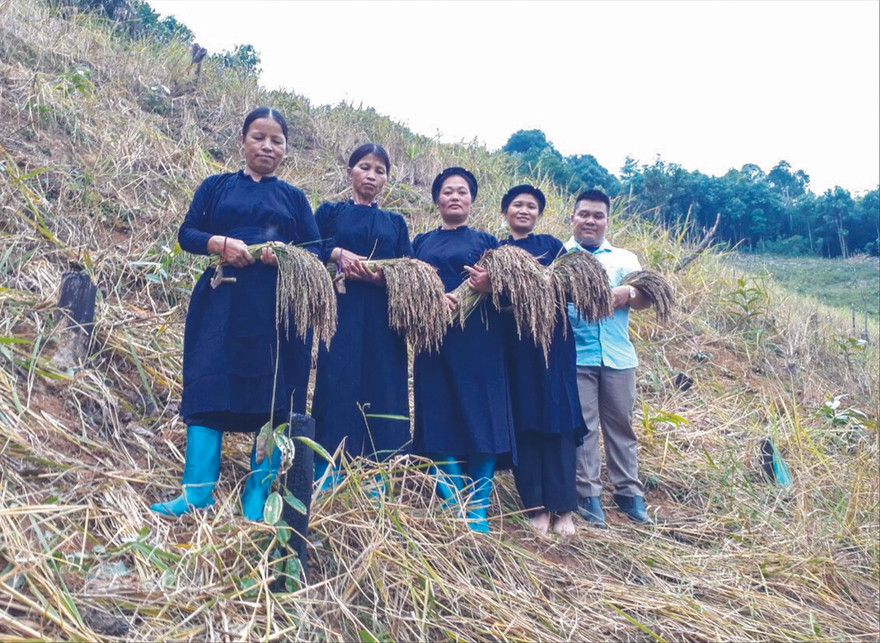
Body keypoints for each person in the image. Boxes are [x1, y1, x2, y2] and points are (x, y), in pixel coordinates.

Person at [151, 106, 321, 520]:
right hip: (221, 299)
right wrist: (219, 243)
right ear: (242, 141)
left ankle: (258, 494)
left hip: (277, 308)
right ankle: (196, 493)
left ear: (286, 149)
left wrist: (283, 256)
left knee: (272, 394)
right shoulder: (216, 187)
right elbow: (187, 234)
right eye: (258, 137)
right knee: (209, 382)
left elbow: (315, 250)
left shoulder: (293, 198)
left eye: (276, 140)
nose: (267, 146)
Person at [411, 167, 516, 533]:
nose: (455, 197)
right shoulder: (420, 242)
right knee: (437, 417)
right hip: (434, 338)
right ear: (437, 199)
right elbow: (407, 284)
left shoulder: (488, 242)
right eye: (447, 192)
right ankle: (455, 500)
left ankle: (479, 510)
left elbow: (511, 289)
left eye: (462, 192)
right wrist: (430, 298)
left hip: (480, 341)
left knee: (482, 419)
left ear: (471, 200)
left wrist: (490, 284)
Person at [312, 144, 413, 487]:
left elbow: (410, 269)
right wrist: (337, 252)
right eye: (365, 167)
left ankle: (377, 476)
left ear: (386, 179)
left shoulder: (395, 223)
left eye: (380, 170)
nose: (372, 175)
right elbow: (308, 248)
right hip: (339, 311)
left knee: (384, 385)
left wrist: (379, 275)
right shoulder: (329, 212)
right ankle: (327, 468)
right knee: (336, 382)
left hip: (385, 318)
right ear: (350, 171)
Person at [499, 184, 585, 536]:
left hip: (554, 345)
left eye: (531, 206)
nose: (524, 210)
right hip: (515, 347)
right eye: (517, 204)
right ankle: (536, 507)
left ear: (539, 213)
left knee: (560, 421)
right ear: (506, 211)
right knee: (526, 422)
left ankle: (563, 509)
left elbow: (572, 284)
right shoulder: (496, 250)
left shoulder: (552, 246)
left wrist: (540, 280)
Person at [564, 189, 654, 525]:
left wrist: (627, 293)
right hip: (576, 355)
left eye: (597, 215)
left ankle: (629, 494)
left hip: (618, 356)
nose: (590, 220)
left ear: (606, 220)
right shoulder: (560, 255)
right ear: (572, 218)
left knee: (621, 426)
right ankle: (588, 496)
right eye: (584, 214)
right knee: (583, 429)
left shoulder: (625, 259)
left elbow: (647, 296)